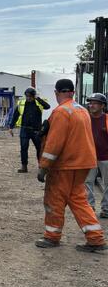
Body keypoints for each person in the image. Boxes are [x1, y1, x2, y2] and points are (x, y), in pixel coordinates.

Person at [35, 79, 106, 252]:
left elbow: (55, 143)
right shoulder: (82, 110)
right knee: (78, 200)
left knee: (54, 200)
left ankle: (52, 236)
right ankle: (95, 238)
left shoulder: (61, 112)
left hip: (65, 165)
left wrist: (44, 166)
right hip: (83, 163)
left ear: (56, 92)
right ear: (73, 92)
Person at [10, 87, 50, 173]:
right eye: (27, 96)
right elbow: (15, 115)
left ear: (33, 96)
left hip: (36, 130)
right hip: (24, 129)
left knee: (39, 148)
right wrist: (11, 127)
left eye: (30, 96)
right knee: (23, 148)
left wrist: (38, 98)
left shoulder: (38, 102)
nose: (28, 98)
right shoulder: (22, 103)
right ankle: (24, 166)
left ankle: (41, 166)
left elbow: (47, 106)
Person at [84, 92, 108, 218]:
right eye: (90, 103)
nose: (91, 105)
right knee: (87, 182)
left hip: (106, 157)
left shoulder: (107, 119)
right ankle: (90, 207)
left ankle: (106, 209)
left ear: (102, 106)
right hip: (89, 156)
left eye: (95, 103)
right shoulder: (85, 119)